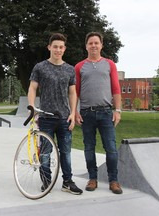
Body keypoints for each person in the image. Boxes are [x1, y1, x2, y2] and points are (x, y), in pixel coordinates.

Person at [28, 33, 83, 195]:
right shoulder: (40, 67)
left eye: (61, 47)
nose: (58, 50)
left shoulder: (69, 69)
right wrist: (31, 107)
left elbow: (73, 93)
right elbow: (32, 88)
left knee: (65, 152)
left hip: (65, 118)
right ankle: (46, 181)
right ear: (49, 47)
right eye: (55, 46)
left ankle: (67, 182)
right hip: (45, 118)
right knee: (45, 153)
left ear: (64, 49)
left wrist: (73, 113)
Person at [75, 32, 123, 194]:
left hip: (105, 113)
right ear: (86, 46)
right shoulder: (79, 67)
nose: (93, 45)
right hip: (86, 113)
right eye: (90, 43)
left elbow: (116, 89)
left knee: (111, 148)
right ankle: (92, 178)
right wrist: (74, 111)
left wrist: (117, 110)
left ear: (101, 45)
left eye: (96, 43)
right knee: (89, 147)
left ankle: (113, 180)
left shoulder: (110, 64)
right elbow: (75, 92)